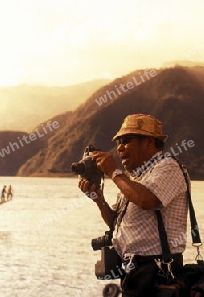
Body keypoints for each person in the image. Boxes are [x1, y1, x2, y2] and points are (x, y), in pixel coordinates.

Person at [78, 114, 189, 297]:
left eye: (126, 141)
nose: (119, 147)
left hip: (158, 272)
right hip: (135, 272)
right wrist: (98, 199)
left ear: (150, 143)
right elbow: (115, 223)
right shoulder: (133, 179)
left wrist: (114, 172)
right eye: (118, 142)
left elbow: (148, 201)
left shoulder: (169, 167)